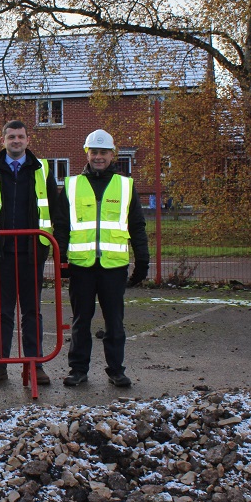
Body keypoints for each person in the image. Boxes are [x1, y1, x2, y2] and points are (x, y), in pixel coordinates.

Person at [54, 129, 149, 388]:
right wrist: (61, 258)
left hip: (113, 267)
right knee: (80, 321)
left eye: (103, 152)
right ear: (87, 153)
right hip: (81, 266)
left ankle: (116, 370)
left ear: (112, 155)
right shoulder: (72, 185)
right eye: (94, 152)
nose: (98, 157)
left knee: (114, 321)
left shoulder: (125, 185)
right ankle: (78, 370)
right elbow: (61, 226)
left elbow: (137, 226)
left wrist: (142, 261)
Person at [0, 120, 63, 387]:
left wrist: (43, 245)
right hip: (0, 253)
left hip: (31, 252)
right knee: (2, 312)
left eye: (20, 136)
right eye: (11, 136)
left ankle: (34, 364)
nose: (16, 141)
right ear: (3, 140)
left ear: (27, 139)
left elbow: (52, 206)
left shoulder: (41, 169)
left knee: (32, 312)